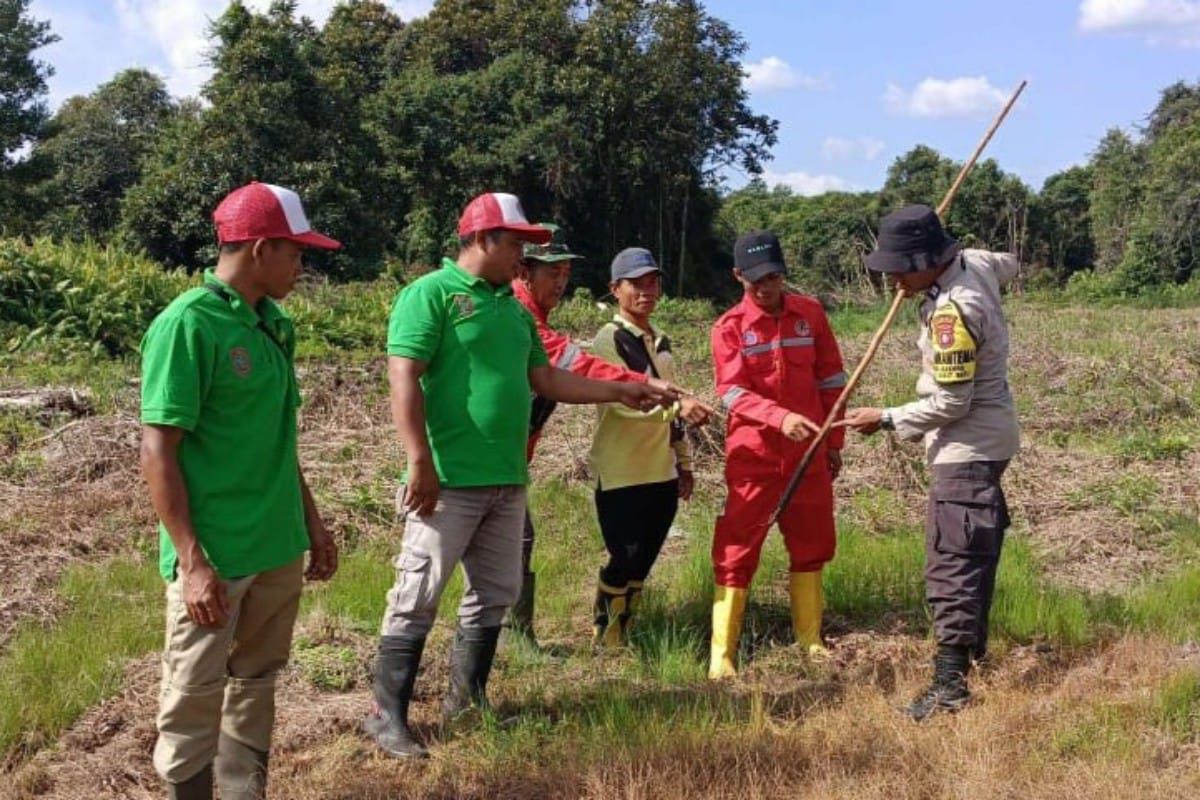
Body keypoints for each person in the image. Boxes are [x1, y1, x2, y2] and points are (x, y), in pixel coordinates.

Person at [364, 193, 677, 759]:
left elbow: (547, 381)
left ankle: (467, 703)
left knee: (494, 595)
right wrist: (419, 462)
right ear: (483, 239)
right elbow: (403, 377)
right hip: (448, 478)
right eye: (516, 245)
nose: (523, 257)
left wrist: (625, 388)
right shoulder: (429, 296)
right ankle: (387, 718)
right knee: (418, 593)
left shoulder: (511, 309)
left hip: (507, 477)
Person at [139, 181, 340, 800]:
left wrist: (312, 525)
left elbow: (278, 438)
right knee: (194, 693)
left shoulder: (272, 325)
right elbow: (158, 450)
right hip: (218, 558)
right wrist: (193, 562)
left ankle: (242, 791)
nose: (301, 266)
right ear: (258, 248)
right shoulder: (187, 326)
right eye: (295, 252)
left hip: (275, 548)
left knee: (256, 683)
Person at [841, 204, 1020, 721]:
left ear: (927, 259)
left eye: (900, 266)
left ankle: (950, 685)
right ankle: (972, 657)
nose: (893, 278)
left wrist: (888, 417)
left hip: (967, 446)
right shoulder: (975, 263)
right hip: (989, 439)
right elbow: (1006, 261)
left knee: (954, 560)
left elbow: (951, 403)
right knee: (971, 551)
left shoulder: (952, 313)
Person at [508, 225, 675, 645]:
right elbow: (577, 366)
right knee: (506, 543)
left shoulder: (534, 319)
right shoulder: (516, 315)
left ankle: (514, 637)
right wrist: (638, 386)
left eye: (566, 272)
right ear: (523, 272)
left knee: (515, 541)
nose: (562, 282)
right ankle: (509, 638)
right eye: (553, 273)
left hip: (512, 456)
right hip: (483, 457)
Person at [708, 231, 848, 679]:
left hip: (808, 455)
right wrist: (777, 417)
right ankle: (722, 655)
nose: (766, 288)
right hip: (755, 457)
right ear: (737, 277)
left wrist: (833, 443)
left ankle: (810, 639)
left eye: (773, 277)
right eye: (755, 281)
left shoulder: (810, 314)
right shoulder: (728, 328)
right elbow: (730, 392)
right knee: (735, 549)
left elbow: (831, 380)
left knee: (813, 543)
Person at [588, 247, 713, 647]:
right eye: (635, 284)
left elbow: (673, 410)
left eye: (652, 282)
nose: (646, 291)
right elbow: (619, 401)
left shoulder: (660, 341)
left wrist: (685, 462)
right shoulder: (609, 340)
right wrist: (678, 405)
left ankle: (626, 628)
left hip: (662, 468)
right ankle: (606, 633)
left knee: (644, 557)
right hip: (623, 469)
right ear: (615, 289)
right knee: (623, 555)